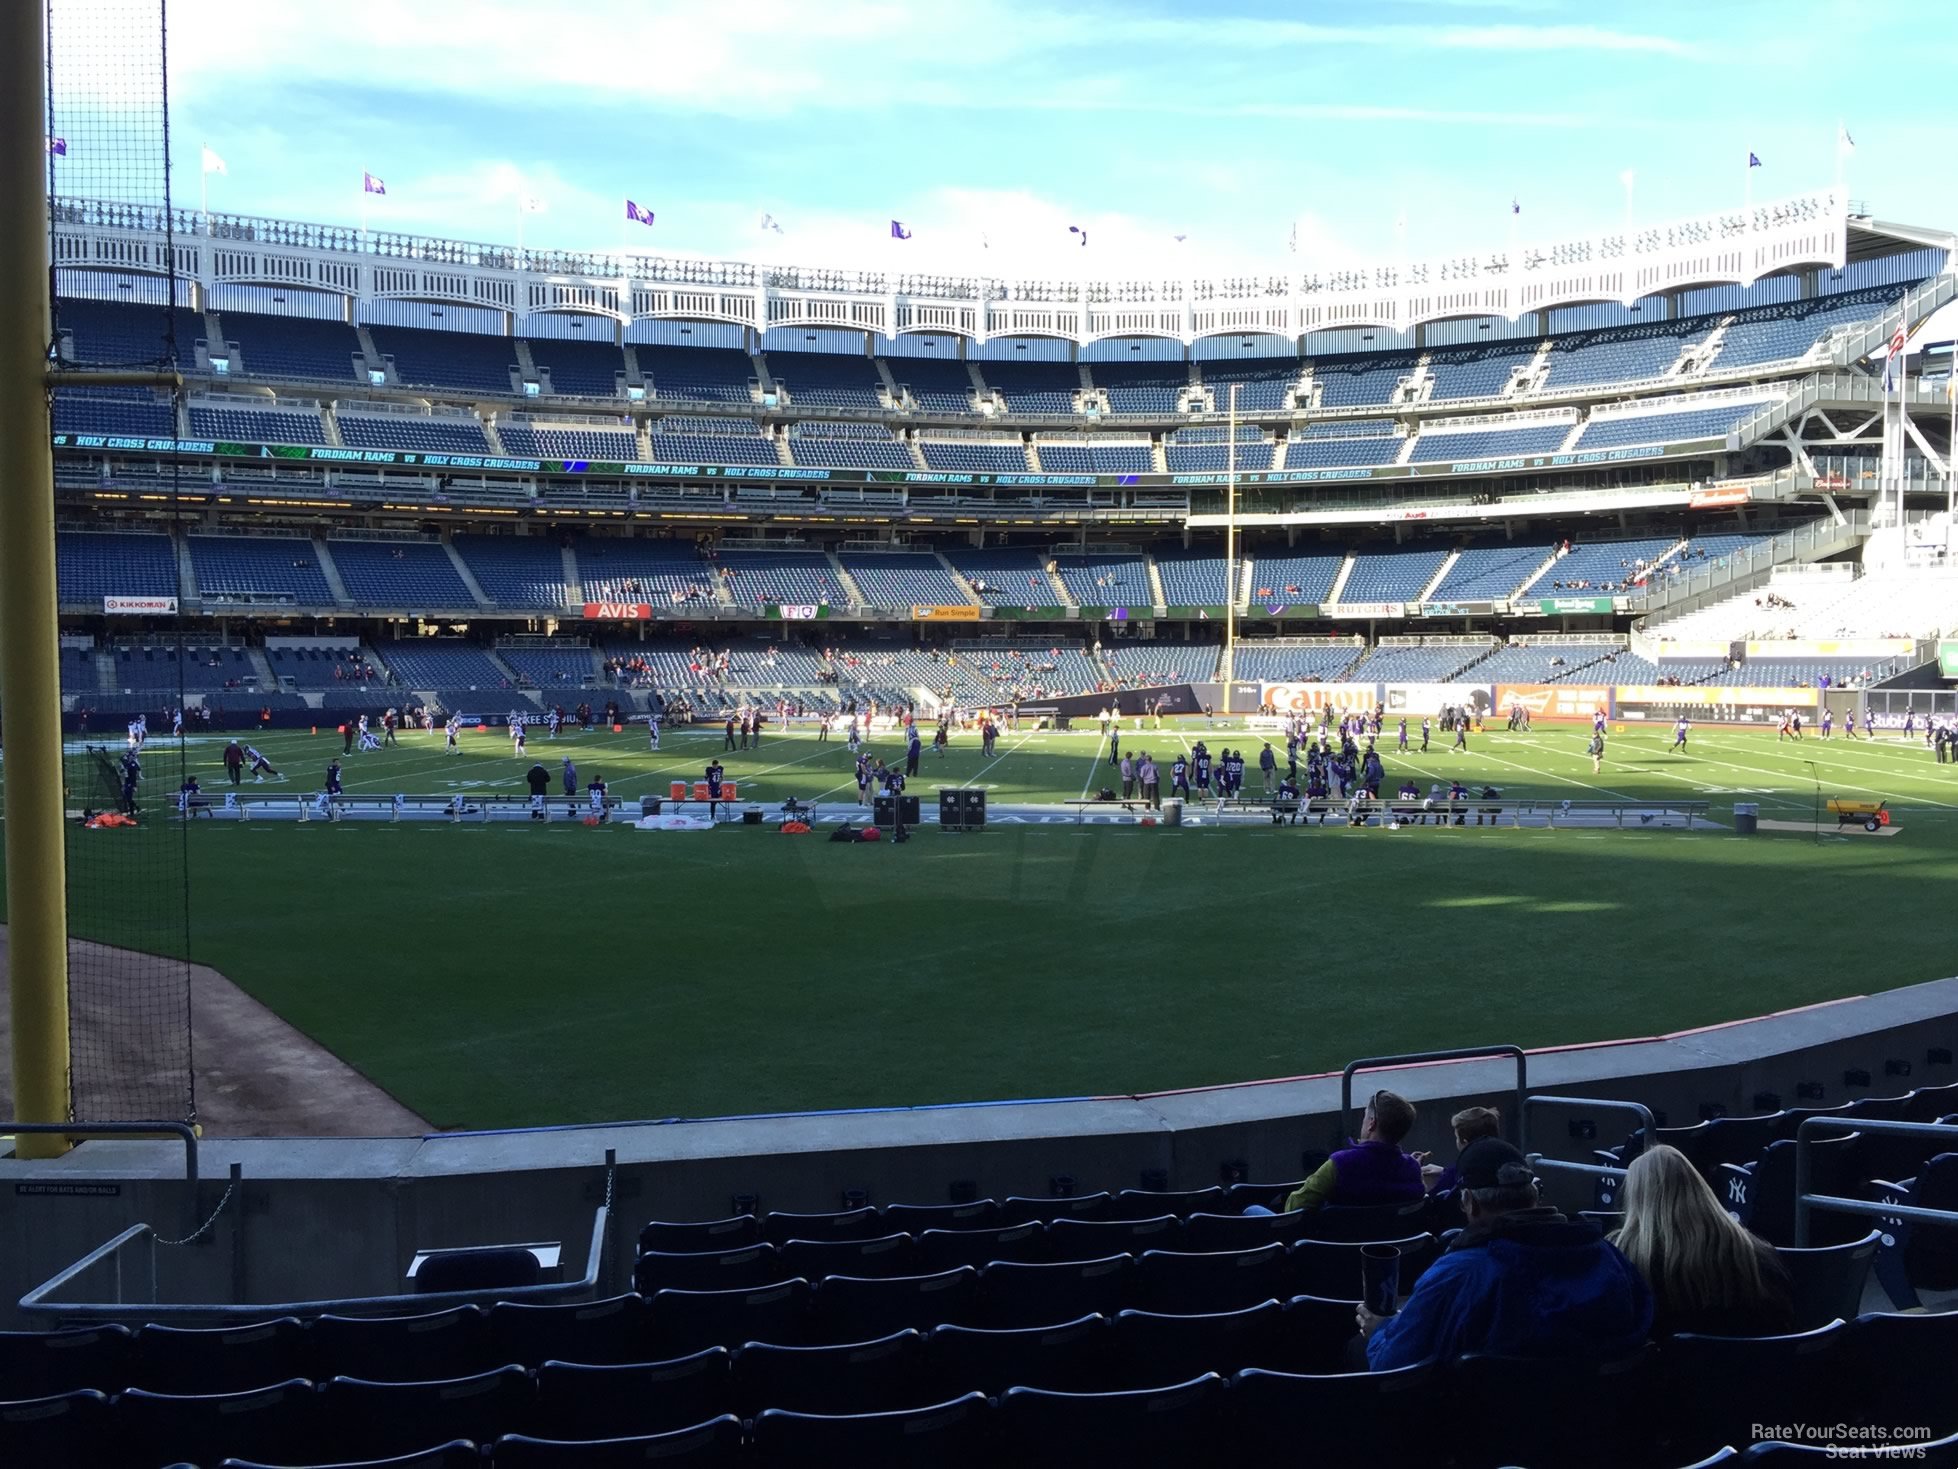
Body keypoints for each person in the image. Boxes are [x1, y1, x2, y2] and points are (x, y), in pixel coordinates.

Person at [1358, 1139, 1653, 1370]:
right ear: (1535, 1196)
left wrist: (1380, 1331)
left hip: (1488, 1440)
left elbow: (1392, 1365)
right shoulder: (1610, 1257)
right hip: (1596, 1434)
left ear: (1469, 1203)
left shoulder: (1457, 1275)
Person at [1611, 1144, 1795, 1340]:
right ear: (1699, 1187)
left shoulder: (1621, 1257)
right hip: (1755, 1367)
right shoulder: (1755, 1253)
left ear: (1635, 1199)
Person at [1252, 1090, 1425, 1215]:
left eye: (1365, 1116)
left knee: (1252, 1210)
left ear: (1372, 1123)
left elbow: (1294, 1206)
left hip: (1331, 1253)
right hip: (1382, 1251)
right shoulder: (1412, 1170)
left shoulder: (1340, 1163)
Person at [1418, 1106, 1503, 1196]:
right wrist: (1444, 1171)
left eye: (1457, 1138)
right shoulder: (1502, 1158)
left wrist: (1416, 1175)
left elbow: (1436, 1199)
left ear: (1465, 1142)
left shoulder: (1466, 1166)